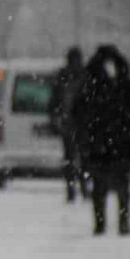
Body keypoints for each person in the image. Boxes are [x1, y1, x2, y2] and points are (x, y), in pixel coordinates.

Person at [74, 45, 130, 236]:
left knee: (102, 186)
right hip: (118, 144)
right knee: (119, 186)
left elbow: (79, 114)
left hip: (106, 144)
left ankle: (104, 223)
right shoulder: (122, 87)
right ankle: (120, 222)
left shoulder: (92, 86)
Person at [48, 47, 87, 202]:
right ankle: (82, 187)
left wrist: (54, 117)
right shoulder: (84, 75)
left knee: (71, 158)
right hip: (80, 123)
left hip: (69, 123)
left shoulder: (63, 76)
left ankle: (72, 188)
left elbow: (54, 101)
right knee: (82, 158)